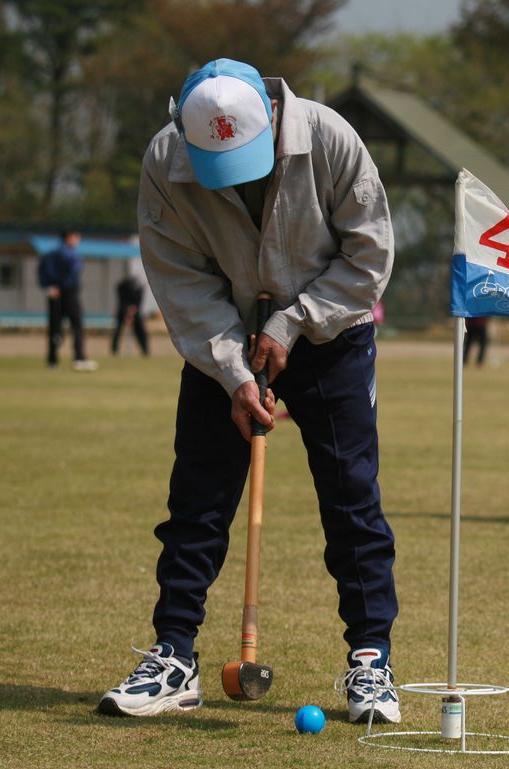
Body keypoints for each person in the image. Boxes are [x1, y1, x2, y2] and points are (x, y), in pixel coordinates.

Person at [98, 59, 401, 720]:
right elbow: (180, 280)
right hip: (224, 336)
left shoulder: (330, 139)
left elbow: (369, 254)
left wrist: (294, 323)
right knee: (197, 499)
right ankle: (174, 655)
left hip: (331, 336)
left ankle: (371, 660)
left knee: (352, 497)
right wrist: (235, 371)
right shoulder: (165, 160)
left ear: (270, 118)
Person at [37, 229, 96, 371]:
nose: (78, 239)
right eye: (77, 236)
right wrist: (63, 285)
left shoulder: (49, 255)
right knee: (77, 326)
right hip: (69, 293)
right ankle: (79, 358)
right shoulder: (72, 254)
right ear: (70, 237)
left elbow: (41, 272)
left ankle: (52, 361)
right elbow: (74, 271)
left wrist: (49, 286)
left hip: (54, 294)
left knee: (55, 327)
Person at [110, 273, 149, 357]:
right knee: (118, 330)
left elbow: (138, 303)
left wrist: (133, 311)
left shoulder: (140, 288)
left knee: (140, 330)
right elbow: (121, 300)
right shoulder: (121, 287)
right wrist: (127, 312)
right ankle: (114, 350)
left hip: (135, 310)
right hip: (123, 309)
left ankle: (145, 350)